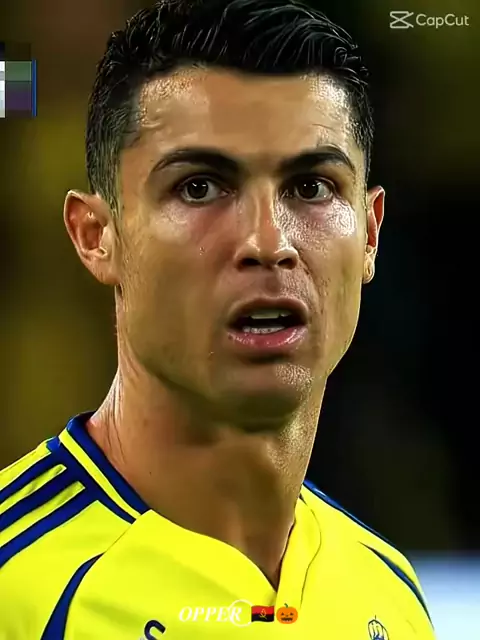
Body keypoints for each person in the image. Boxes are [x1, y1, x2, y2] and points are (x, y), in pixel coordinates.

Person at [0, 0, 436, 638]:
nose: (268, 241)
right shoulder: (18, 592)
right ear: (97, 236)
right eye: (200, 187)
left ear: (370, 234)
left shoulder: (389, 593)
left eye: (312, 187)